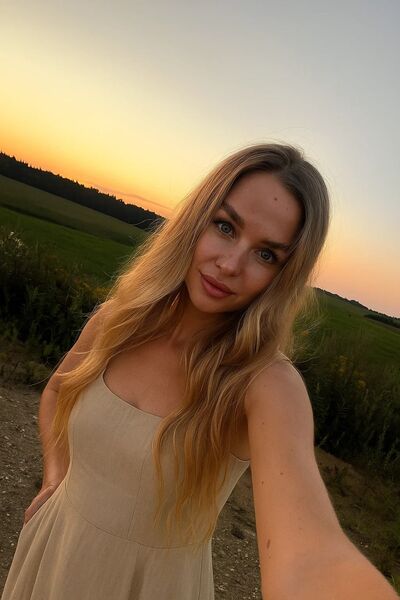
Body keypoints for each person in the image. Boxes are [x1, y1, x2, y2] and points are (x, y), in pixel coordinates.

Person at [2, 143, 398, 600]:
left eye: (266, 255)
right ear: (197, 220)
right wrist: (56, 476)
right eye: (225, 227)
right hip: (52, 550)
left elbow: (312, 554)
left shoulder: (263, 383)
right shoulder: (118, 321)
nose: (229, 265)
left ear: (283, 278)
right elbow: (56, 393)